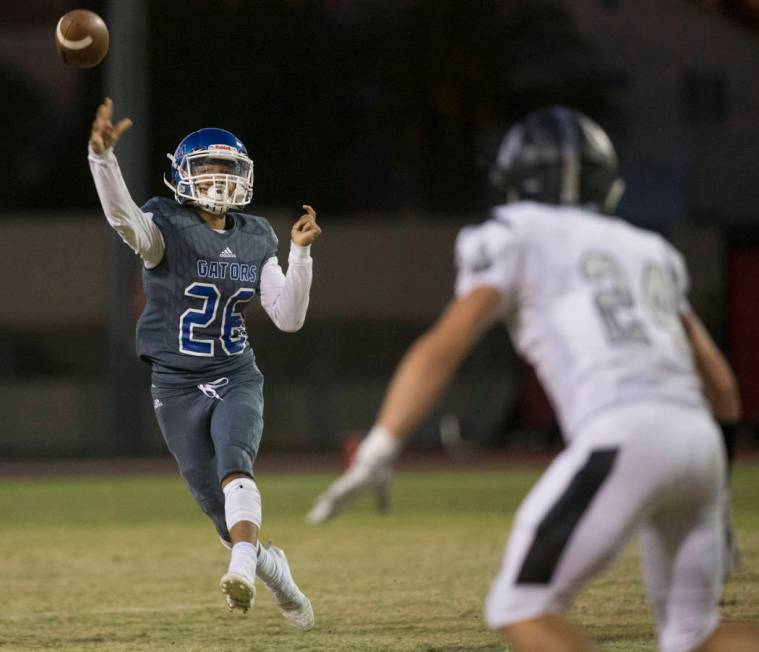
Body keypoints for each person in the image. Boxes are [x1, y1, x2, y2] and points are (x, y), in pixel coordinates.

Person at [307, 107, 759, 651]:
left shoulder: (513, 233)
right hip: (702, 443)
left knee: (519, 607)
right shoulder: (649, 248)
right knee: (695, 633)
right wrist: (717, 486)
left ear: (516, 182)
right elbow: (723, 386)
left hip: (623, 432)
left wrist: (381, 444)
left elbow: (442, 347)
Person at [88, 97, 320, 629]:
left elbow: (287, 317)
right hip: (175, 386)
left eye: (226, 169)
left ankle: (241, 568)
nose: (217, 180)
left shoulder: (256, 235)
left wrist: (300, 255)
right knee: (221, 516)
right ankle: (274, 572)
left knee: (235, 463)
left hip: (234, 372)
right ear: (182, 176)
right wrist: (103, 160)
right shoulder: (163, 225)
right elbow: (123, 218)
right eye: (206, 168)